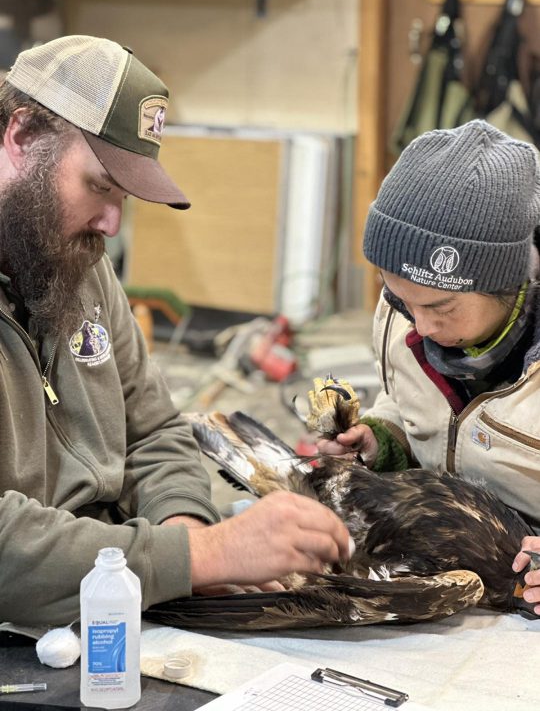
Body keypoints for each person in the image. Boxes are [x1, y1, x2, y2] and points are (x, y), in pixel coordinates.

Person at [0, 35, 352, 627]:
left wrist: (183, 529)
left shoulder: (76, 262)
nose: (112, 223)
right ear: (22, 135)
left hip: (113, 595)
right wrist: (200, 555)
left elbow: (155, 430)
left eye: (125, 197)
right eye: (98, 185)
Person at [319, 120, 540, 617]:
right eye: (398, 295)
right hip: (452, 575)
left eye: (441, 308)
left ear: (509, 285)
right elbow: (408, 399)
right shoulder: (408, 313)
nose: (417, 325)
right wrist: (384, 438)